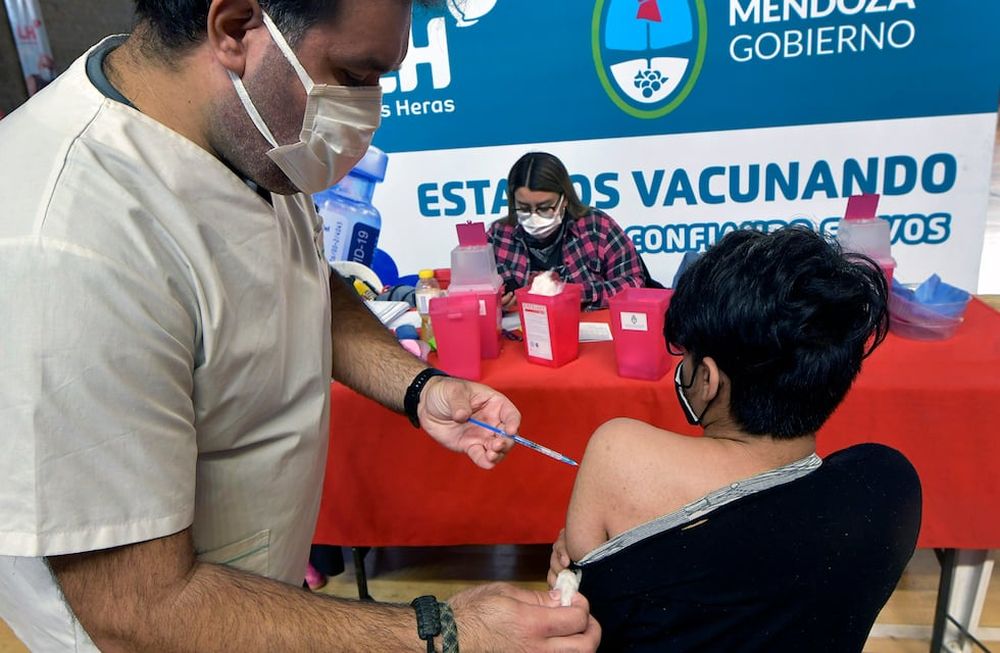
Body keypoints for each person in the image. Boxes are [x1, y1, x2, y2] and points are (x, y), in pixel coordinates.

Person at [0, 1, 600, 651]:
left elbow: (301, 278)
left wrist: (421, 387)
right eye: (353, 74)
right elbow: (138, 604)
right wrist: (444, 632)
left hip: (258, 602)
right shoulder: (67, 243)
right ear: (234, 29)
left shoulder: (250, 134)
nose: (367, 113)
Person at [548, 227, 921, 651]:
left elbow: (580, 613)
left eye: (684, 357)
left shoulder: (619, 454)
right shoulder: (889, 487)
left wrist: (577, 572)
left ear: (707, 379)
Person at [488, 152, 645, 311]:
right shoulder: (498, 236)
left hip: (588, 330)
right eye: (524, 207)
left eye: (544, 208)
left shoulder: (598, 227)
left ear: (565, 199)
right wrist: (495, 302)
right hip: (521, 332)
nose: (534, 216)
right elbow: (473, 293)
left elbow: (634, 284)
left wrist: (574, 294)